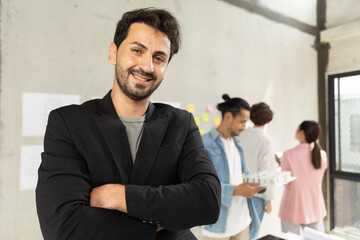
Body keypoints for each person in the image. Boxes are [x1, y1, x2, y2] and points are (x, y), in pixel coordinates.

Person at [36, 8, 221, 240]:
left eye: (159, 58)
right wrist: (157, 223)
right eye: (137, 50)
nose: (147, 66)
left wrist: (118, 196)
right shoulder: (68, 123)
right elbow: (63, 226)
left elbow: (208, 201)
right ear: (113, 53)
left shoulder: (181, 123)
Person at [201, 94, 266, 240]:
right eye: (242, 122)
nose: (244, 127)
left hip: (243, 222)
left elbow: (244, 174)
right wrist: (235, 191)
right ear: (228, 116)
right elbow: (202, 186)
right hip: (218, 227)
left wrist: (257, 183)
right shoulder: (204, 143)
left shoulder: (237, 142)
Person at [279, 121, 327, 235]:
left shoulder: (288, 155)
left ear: (302, 132)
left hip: (292, 206)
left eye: (297, 129)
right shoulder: (322, 155)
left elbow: (286, 182)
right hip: (315, 206)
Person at [238, 102, 277, 239]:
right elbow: (266, 173)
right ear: (268, 119)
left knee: (241, 231)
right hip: (257, 193)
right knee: (252, 233)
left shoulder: (240, 135)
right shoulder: (266, 140)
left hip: (239, 190)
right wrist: (269, 200)